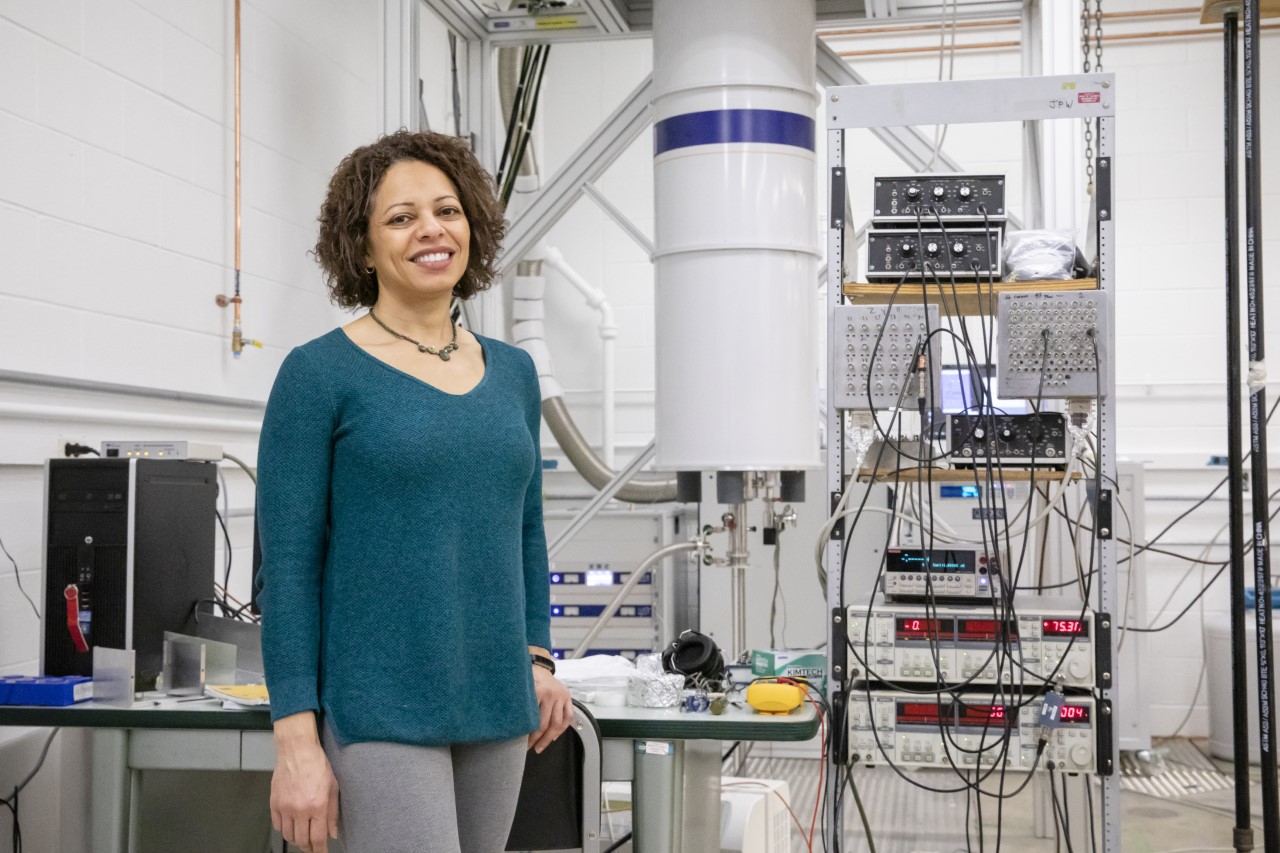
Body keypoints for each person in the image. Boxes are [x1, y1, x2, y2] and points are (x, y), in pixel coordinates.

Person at [255, 129, 573, 853]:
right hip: (378, 707)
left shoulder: (515, 373)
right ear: (362, 250)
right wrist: (296, 740)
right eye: (400, 218)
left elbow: (523, 529)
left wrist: (538, 657)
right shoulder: (319, 375)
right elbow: (289, 572)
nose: (431, 229)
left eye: (447, 210)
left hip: (497, 699)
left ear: (473, 228)